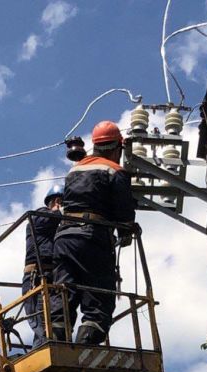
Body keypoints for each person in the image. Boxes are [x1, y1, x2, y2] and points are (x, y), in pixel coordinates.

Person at [51, 120, 136, 345]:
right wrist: (126, 231)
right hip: (92, 238)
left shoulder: (75, 170)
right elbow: (124, 212)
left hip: (63, 238)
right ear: (117, 147)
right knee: (98, 300)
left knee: (64, 291)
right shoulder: (115, 171)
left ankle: (56, 341)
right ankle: (84, 348)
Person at [22, 186, 63, 347]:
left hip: (51, 277)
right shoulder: (38, 217)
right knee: (42, 323)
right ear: (56, 201)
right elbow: (51, 219)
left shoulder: (58, 228)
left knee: (51, 322)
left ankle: (44, 349)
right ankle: (44, 349)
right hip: (36, 277)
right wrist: (56, 210)